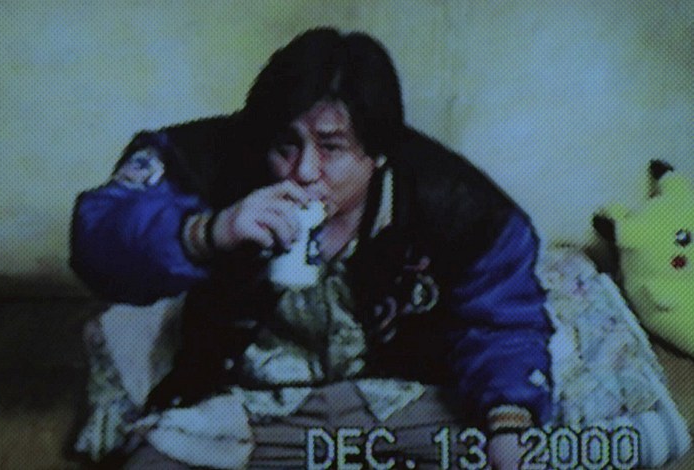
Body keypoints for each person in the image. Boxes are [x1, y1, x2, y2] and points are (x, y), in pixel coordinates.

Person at [71, 28, 553, 469]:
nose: (303, 171)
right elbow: (97, 237)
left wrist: (508, 424)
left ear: (378, 153)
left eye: (331, 147)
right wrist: (207, 232)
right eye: (286, 145)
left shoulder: (458, 205)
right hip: (245, 409)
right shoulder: (208, 159)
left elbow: (502, 322)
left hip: (401, 403)